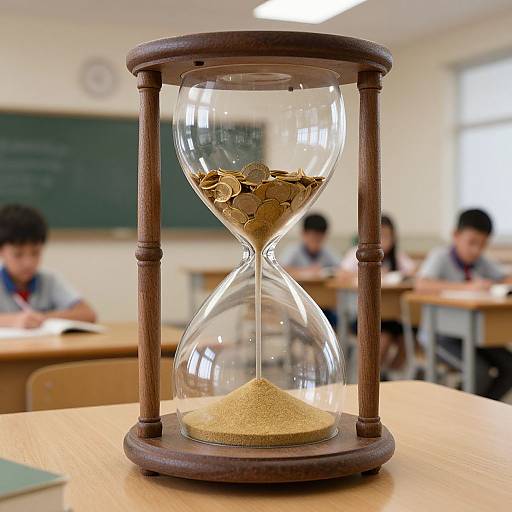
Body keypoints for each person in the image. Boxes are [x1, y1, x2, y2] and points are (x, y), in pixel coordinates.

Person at [416, 208, 512, 400]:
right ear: (456, 235)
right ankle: (460, 412)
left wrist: (494, 285)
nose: (476, 250)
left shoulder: (481, 261)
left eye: (483, 244)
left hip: (471, 333)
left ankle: (482, 409)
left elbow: (505, 278)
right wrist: (467, 287)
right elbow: (421, 284)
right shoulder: (440, 256)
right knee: (479, 372)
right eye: (472, 242)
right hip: (440, 335)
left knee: (509, 366)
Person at [338, 214, 416, 370]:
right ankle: (371, 375)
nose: (383, 241)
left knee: (409, 335)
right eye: (379, 236)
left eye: (387, 236)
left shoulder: (397, 256)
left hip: (393, 316)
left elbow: (413, 272)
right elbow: (342, 275)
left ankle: (390, 374)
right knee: (383, 337)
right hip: (364, 315)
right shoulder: (358, 252)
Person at [0, 204, 96, 328]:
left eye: (35, 253)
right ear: (1, 251)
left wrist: (43, 318)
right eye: (18, 255)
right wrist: (13, 320)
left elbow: (88, 314)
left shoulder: (50, 280)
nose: (28, 263)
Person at [281, 213, 340, 326]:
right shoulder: (293, 250)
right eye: (313, 238)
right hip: (297, 305)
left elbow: (341, 269)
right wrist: (306, 271)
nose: (316, 242)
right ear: (303, 234)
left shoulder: (326, 252)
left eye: (319, 239)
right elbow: (282, 270)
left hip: (322, 304)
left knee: (332, 320)